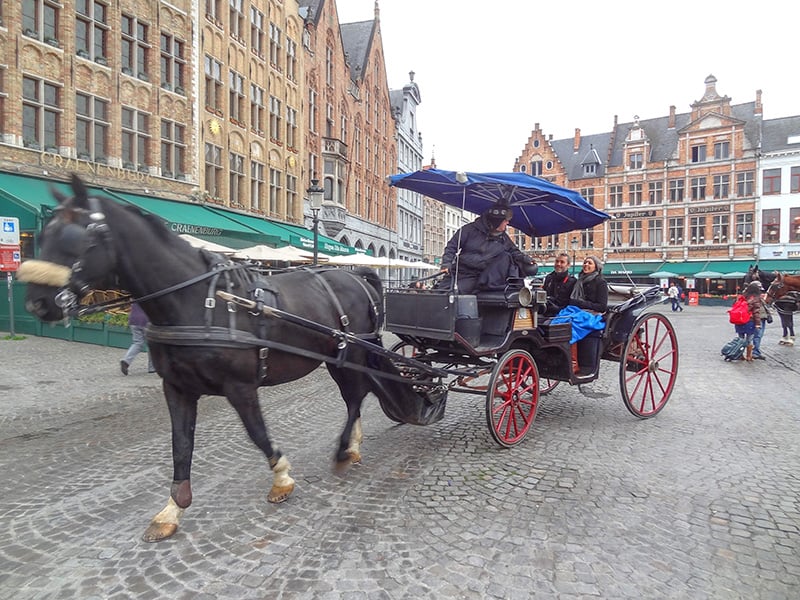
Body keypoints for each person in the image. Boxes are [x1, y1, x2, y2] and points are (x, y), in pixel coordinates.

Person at [438, 205, 537, 294]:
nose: (508, 222)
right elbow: (452, 246)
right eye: (505, 220)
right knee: (444, 294)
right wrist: (446, 264)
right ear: (497, 221)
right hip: (462, 273)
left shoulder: (503, 238)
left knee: (505, 257)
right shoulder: (468, 230)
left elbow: (514, 252)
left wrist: (526, 259)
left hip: (486, 277)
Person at [555, 256, 608, 376]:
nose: (586, 265)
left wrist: (581, 304)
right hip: (577, 310)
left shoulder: (600, 282)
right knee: (558, 319)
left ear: (596, 267)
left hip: (592, 314)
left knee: (570, 325)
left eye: (589, 263)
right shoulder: (579, 281)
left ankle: (574, 363)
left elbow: (602, 306)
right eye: (584, 263)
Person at [120, 303, 155, 375]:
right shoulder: (150, 293)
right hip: (146, 320)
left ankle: (126, 360)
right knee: (151, 344)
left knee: (137, 343)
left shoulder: (137, 293)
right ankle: (152, 367)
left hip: (133, 319)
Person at [735, 281, 763, 362]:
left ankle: (739, 355)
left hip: (739, 320)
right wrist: (758, 324)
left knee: (740, 338)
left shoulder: (742, 297)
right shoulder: (756, 299)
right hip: (749, 321)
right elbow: (756, 312)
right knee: (749, 339)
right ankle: (748, 356)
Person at [751, 282, 772, 360]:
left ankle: (754, 351)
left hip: (762, 318)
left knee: (758, 335)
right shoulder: (754, 297)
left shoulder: (758, 297)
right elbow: (756, 310)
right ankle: (755, 352)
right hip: (758, 319)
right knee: (757, 335)